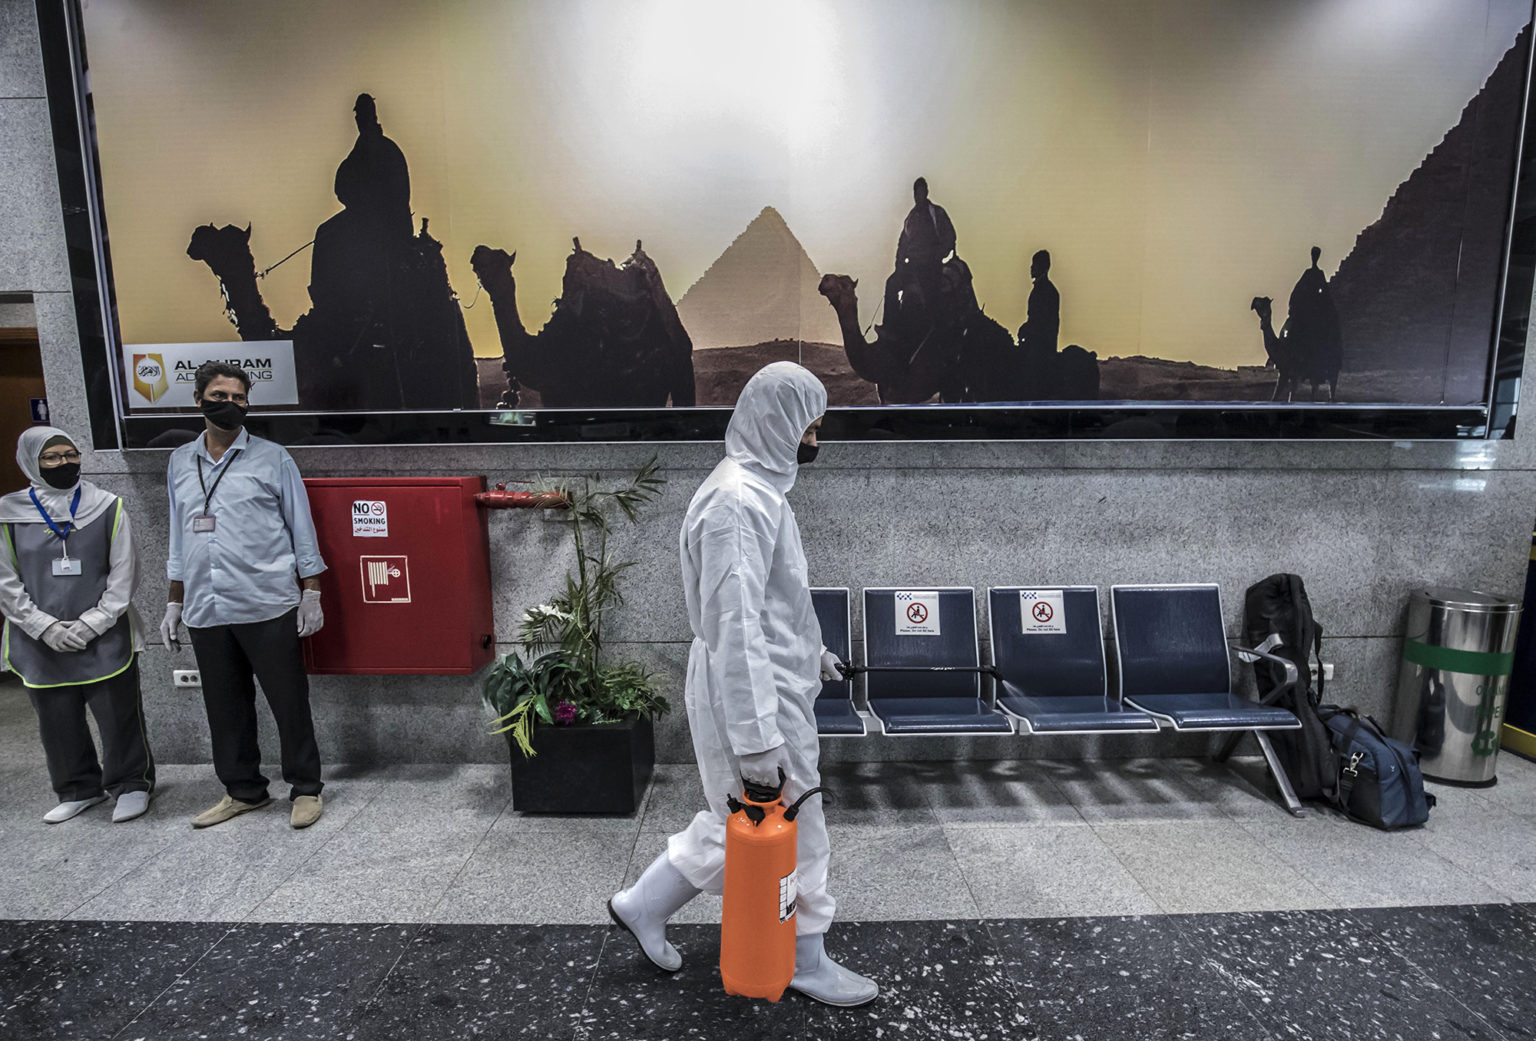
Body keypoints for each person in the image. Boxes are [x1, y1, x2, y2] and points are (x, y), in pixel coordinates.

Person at [609, 361, 878, 1008]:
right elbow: (736, 626)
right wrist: (758, 741)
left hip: (766, 683)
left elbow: (772, 604)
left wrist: (814, 654)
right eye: (808, 428)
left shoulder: (757, 493)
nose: (813, 441)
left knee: (744, 818)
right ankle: (805, 959)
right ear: (776, 422)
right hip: (758, 696)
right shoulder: (736, 503)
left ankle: (643, 904)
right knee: (799, 823)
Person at [159, 361, 328, 830]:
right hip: (206, 606)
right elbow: (178, 536)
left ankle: (306, 788)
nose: (229, 405)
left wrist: (311, 591)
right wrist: (174, 600)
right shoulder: (179, 461)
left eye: (238, 398)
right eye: (219, 396)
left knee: (289, 702)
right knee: (225, 707)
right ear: (198, 400)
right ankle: (243, 791)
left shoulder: (273, 458)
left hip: (266, 600)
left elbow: (301, 527)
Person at [0, 426, 154, 824]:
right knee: (57, 719)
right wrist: (45, 627)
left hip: (104, 633)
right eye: (51, 457)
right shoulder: (8, 514)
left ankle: (131, 784)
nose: (63, 463)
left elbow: (125, 572)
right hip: (38, 640)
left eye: (70, 455)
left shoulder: (107, 506)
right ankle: (78, 789)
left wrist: (92, 623)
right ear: (31, 462)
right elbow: (6, 580)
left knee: (118, 715)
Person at [884, 176, 957, 328]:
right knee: (891, 284)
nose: (918, 196)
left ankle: (934, 328)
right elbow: (902, 244)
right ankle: (889, 326)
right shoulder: (910, 218)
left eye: (921, 192)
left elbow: (950, 236)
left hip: (931, 265)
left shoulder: (936, 214)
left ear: (926, 192)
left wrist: (938, 255)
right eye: (916, 193)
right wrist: (899, 264)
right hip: (911, 266)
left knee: (930, 295)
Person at [1017, 249, 1060, 356]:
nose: (1031, 267)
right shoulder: (1046, 289)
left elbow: (1039, 320)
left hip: (1040, 348)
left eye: (1034, 264)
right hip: (1041, 345)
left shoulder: (1045, 290)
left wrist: (1025, 329)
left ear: (1042, 267)